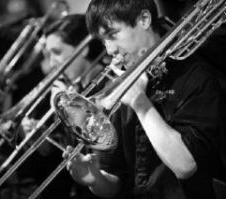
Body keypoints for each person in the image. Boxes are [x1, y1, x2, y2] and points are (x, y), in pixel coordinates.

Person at [62, 1, 226, 199]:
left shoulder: (195, 76)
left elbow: (186, 166)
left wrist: (141, 104)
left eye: (113, 35)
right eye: (103, 40)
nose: (109, 50)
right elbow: (116, 181)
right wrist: (94, 178)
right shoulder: (117, 86)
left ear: (144, 19)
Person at [18, 14, 106, 199]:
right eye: (48, 56)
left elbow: (102, 149)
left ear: (82, 49)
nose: (51, 64)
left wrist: (67, 113)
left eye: (56, 52)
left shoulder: (107, 87)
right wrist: (43, 138)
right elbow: (68, 152)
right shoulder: (72, 88)